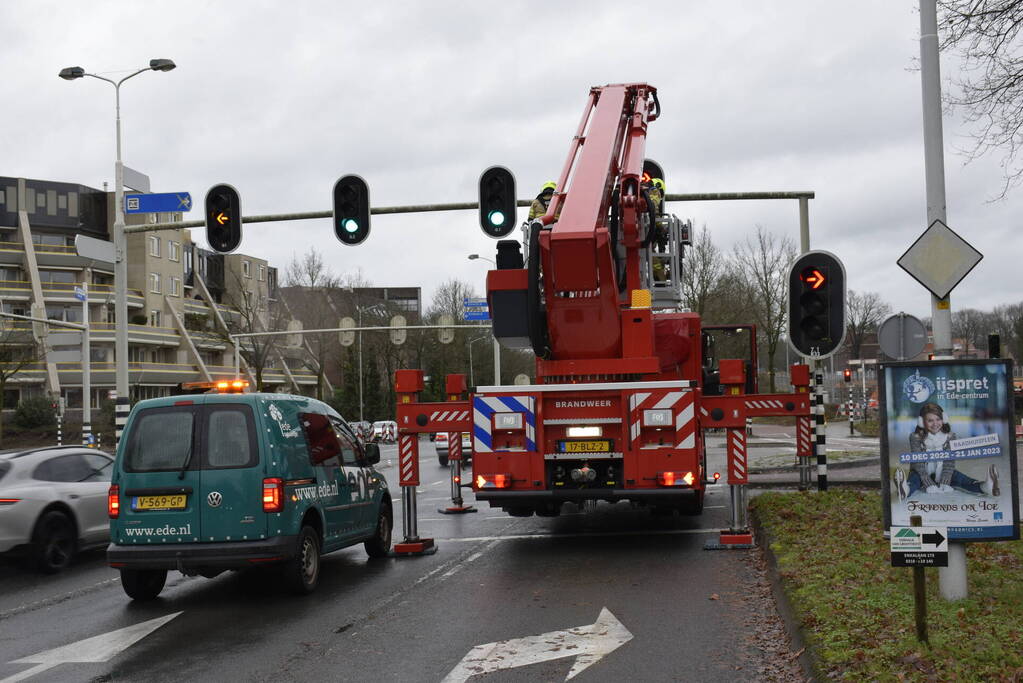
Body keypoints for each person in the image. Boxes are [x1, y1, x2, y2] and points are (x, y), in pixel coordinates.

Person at [900, 402, 999, 497]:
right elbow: (918, 463)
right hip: (921, 472)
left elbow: (949, 461)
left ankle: (984, 487)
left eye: (938, 419)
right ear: (922, 422)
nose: (935, 424)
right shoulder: (915, 437)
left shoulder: (950, 436)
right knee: (914, 480)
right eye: (930, 420)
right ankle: (906, 489)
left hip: (943, 470)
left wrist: (945, 480)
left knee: (961, 479)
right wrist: (927, 482)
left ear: (944, 419)